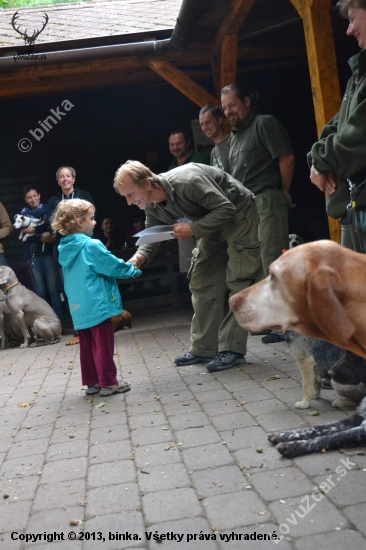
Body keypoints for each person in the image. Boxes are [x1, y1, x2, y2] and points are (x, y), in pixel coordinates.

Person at [114, 160, 261, 372]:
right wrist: (139, 257)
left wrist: (193, 229)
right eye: (125, 197)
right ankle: (203, 348)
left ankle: (232, 349)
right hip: (210, 221)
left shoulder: (188, 180)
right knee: (201, 278)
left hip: (238, 214)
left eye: (130, 194)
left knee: (240, 277)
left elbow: (226, 208)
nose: (129, 202)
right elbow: (152, 232)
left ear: (147, 184)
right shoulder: (152, 204)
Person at [221, 83, 295, 343]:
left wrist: (283, 192)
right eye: (225, 107)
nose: (229, 111)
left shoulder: (265, 123)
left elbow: (286, 158)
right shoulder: (234, 136)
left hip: (268, 198)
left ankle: (285, 325)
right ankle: (272, 321)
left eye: (233, 104)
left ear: (247, 101)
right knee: (258, 263)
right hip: (248, 206)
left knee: (272, 259)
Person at [51, 198, 141, 396]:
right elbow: (111, 264)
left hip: (78, 307)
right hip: (97, 304)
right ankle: (109, 382)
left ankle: (92, 382)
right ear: (78, 222)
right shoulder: (91, 246)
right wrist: (131, 270)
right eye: (91, 219)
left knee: (87, 345)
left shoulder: (64, 249)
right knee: (103, 344)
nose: (94, 223)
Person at [309, 0, 366, 252]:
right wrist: (317, 161)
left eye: (353, 19)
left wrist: (321, 164)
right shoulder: (359, 75)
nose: (349, 30)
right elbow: (334, 127)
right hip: (355, 213)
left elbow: (355, 140)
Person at [168, 129, 211, 273]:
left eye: (179, 143)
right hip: (182, 221)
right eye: (172, 145)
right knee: (189, 266)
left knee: (207, 260)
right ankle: (194, 295)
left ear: (187, 143)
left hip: (203, 218)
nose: (176, 147)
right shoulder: (171, 168)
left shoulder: (201, 159)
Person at [20, 185, 63, 320]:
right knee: (40, 291)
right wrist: (41, 237)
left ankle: (58, 322)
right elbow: (26, 237)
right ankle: (45, 321)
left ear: (39, 195)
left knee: (54, 290)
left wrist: (33, 232)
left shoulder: (48, 210)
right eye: (29, 198)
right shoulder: (23, 215)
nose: (33, 200)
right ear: (26, 200)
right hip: (33, 256)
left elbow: (53, 231)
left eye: (34, 196)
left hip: (49, 255)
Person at [199, 105, 230, 172]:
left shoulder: (232, 142)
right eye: (202, 124)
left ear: (219, 120)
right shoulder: (213, 152)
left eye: (208, 122)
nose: (205, 128)